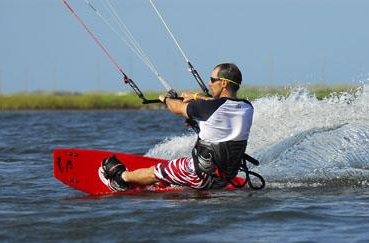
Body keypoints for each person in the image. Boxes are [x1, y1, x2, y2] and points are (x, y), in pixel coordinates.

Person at [100, 63, 257, 192]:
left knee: (156, 171)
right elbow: (219, 105)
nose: (209, 83)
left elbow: (177, 108)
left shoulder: (208, 108)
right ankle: (182, 187)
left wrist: (167, 99)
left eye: (212, 79)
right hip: (223, 180)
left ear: (223, 83)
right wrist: (196, 97)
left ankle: (121, 180)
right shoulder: (247, 107)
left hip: (199, 175)